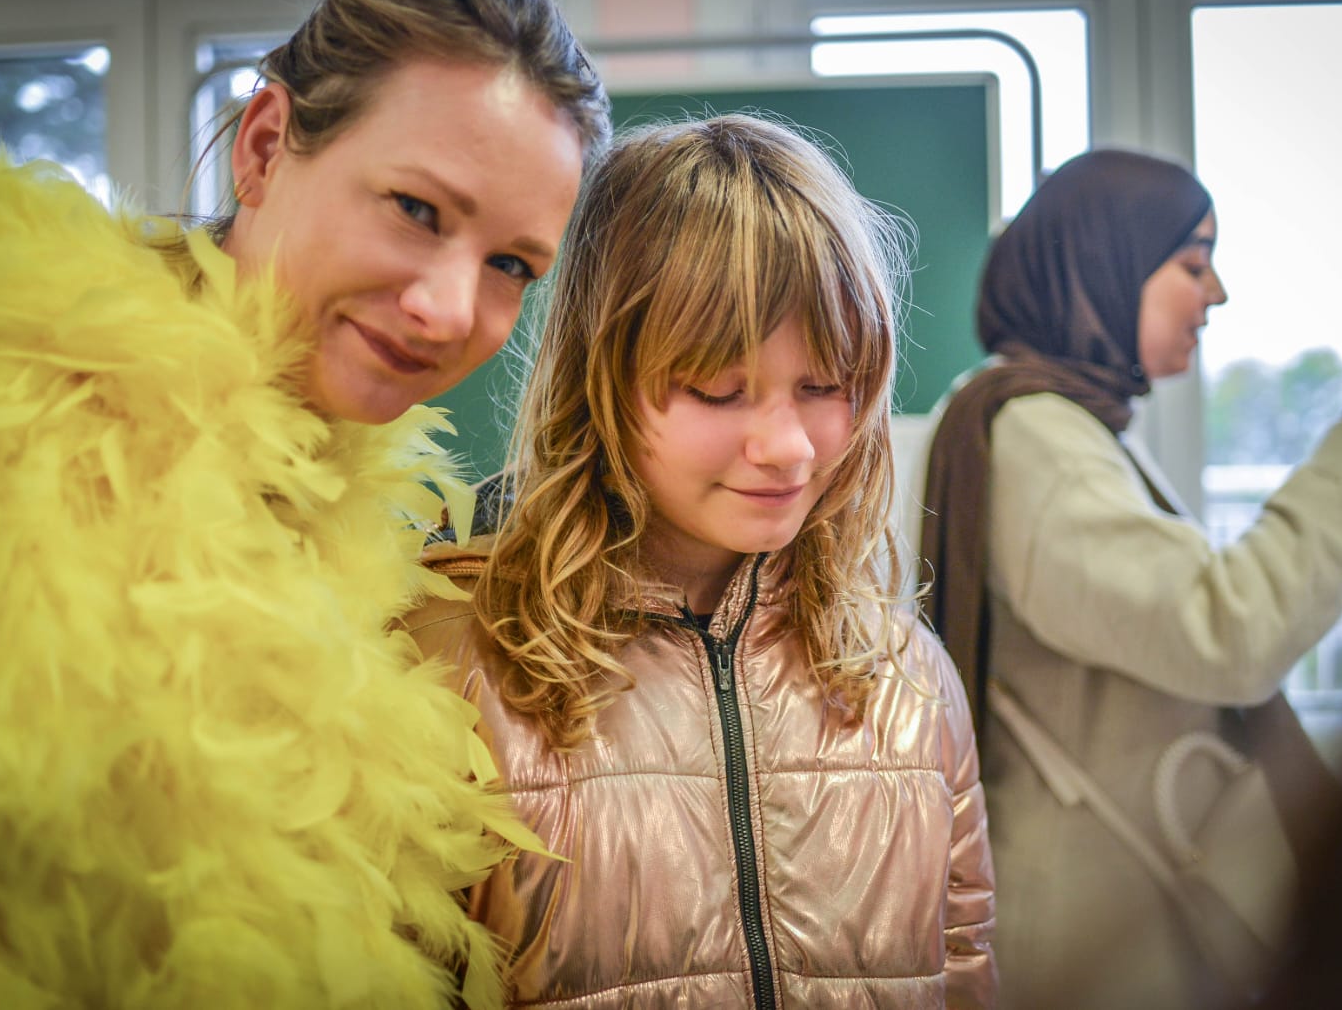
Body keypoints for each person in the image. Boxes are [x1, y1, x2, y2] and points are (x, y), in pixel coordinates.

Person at [0, 0, 608, 1007]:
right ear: (262, 147)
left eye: (511, 266)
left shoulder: (369, 550)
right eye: (416, 209)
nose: (447, 309)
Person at [408, 115, 998, 1009]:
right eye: (721, 390)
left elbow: (965, 971)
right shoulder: (450, 670)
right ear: (601, 381)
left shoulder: (908, 680)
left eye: (825, 385)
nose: (790, 447)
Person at [918, 147, 1342, 1010]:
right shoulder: (1043, 437)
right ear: (1104, 267)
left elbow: (1175, 607)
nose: (1217, 293)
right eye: (1194, 264)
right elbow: (1228, 629)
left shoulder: (1060, 426)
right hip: (1106, 927)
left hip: (1112, 901)